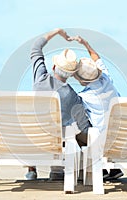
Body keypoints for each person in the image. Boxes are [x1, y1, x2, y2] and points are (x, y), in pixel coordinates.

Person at [26, 28, 91, 180]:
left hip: (32, 137)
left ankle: (32, 169)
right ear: (71, 75)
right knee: (69, 127)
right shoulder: (72, 95)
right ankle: (56, 169)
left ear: (54, 67)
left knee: (39, 124)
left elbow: (35, 47)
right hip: (55, 141)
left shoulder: (40, 78)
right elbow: (83, 126)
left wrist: (56, 32)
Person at [73, 35, 124, 180]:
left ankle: (98, 169)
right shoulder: (107, 78)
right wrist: (86, 43)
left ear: (80, 79)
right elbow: (96, 57)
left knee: (78, 131)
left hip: (101, 141)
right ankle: (112, 169)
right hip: (119, 136)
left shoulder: (85, 97)